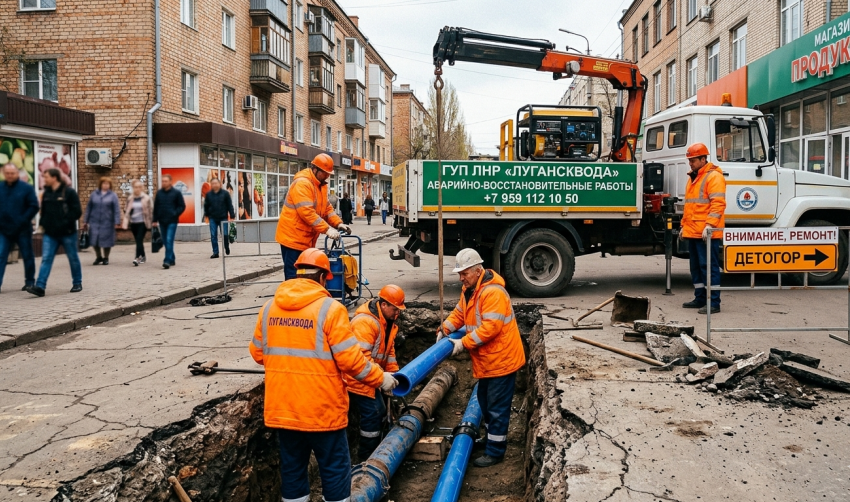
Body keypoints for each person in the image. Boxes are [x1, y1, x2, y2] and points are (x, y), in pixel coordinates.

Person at [249, 248, 398, 502]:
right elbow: (351, 361)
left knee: (293, 472)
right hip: (322, 412)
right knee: (334, 471)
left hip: (284, 410)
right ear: (323, 278)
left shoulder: (269, 308)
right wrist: (381, 378)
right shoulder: (331, 309)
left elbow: (258, 354)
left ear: (297, 274)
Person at [437, 248, 526, 467]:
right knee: (486, 402)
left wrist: (463, 343)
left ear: (478, 270)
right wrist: (445, 329)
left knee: (496, 407)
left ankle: (495, 451)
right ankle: (490, 440)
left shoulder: (492, 293)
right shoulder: (470, 289)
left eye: (464, 273)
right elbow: (460, 312)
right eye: (459, 273)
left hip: (502, 362)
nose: (461, 277)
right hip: (489, 361)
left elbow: (490, 328)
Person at [345, 284, 406, 461]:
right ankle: (366, 458)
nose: (398, 313)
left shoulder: (388, 322)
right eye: (395, 309)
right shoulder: (365, 323)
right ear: (384, 305)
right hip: (356, 379)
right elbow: (360, 360)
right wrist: (381, 378)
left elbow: (389, 353)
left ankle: (376, 450)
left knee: (381, 411)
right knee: (374, 412)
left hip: (372, 377)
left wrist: (394, 376)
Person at [275, 153, 351, 280]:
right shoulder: (302, 184)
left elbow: (327, 209)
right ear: (315, 169)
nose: (327, 176)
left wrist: (338, 223)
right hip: (292, 239)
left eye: (329, 173)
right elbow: (307, 213)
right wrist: (327, 229)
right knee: (293, 275)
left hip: (305, 239)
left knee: (304, 275)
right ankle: (292, 299)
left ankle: (303, 298)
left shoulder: (321, 186)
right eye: (325, 172)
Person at [681, 142, 726, 315]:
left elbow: (718, 204)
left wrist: (710, 226)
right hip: (694, 232)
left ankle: (714, 302)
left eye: (693, 160)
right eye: (689, 160)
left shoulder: (713, 177)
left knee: (709, 267)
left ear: (703, 159)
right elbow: (690, 207)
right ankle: (700, 298)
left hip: (706, 233)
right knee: (697, 268)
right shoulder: (694, 177)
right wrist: (683, 227)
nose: (690, 163)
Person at [26, 168, 83, 296]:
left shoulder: (68, 192)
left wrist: (65, 221)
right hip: (50, 234)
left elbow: (77, 211)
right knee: (46, 258)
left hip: (67, 233)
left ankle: (77, 283)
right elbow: (44, 212)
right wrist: (42, 226)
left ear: (54, 178)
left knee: (73, 258)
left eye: (46, 177)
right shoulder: (46, 193)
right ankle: (40, 287)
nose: (44, 179)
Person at [0, 163, 39, 293]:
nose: (10, 176)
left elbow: (33, 206)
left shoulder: (26, 188)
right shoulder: (0, 188)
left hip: (22, 229)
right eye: (7, 173)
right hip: (4, 230)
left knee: (27, 255)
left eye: (12, 173)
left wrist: (22, 220)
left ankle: (29, 282)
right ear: (4, 174)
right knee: (1, 255)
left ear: (17, 173)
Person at [83, 176, 121, 266]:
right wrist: (85, 220)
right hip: (94, 221)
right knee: (94, 240)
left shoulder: (113, 195)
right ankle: (98, 256)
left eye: (108, 184)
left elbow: (116, 209)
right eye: (104, 183)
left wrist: (117, 221)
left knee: (107, 240)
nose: (106, 185)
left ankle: (106, 257)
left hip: (108, 221)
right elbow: (89, 208)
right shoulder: (94, 194)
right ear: (100, 184)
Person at [152, 174, 186, 269]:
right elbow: (156, 207)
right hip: (162, 220)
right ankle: (172, 258)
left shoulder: (176, 193)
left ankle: (167, 260)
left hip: (172, 220)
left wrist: (175, 213)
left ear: (170, 182)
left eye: (166, 181)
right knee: (165, 241)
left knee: (169, 239)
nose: (164, 183)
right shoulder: (159, 193)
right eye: (162, 181)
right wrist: (154, 220)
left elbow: (182, 206)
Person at [121, 180, 152, 266]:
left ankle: (137, 258)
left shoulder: (146, 198)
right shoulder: (130, 198)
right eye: (135, 187)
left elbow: (150, 210)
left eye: (139, 187)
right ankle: (143, 256)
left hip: (143, 222)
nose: (137, 189)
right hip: (133, 223)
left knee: (139, 239)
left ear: (141, 188)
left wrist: (152, 222)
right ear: (133, 188)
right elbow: (126, 209)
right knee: (139, 241)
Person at [203, 177, 235, 259]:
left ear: (219, 184)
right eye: (212, 183)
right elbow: (206, 206)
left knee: (224, 234)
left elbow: (229, 205)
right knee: (213, 235)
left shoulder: (225, 194)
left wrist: (232, 215)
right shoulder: (209, 195)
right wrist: (206, 215)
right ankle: (215, 252)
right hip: (212, 218)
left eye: (216, 183)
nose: (214, 185)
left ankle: (226, 247)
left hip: (223, 217)